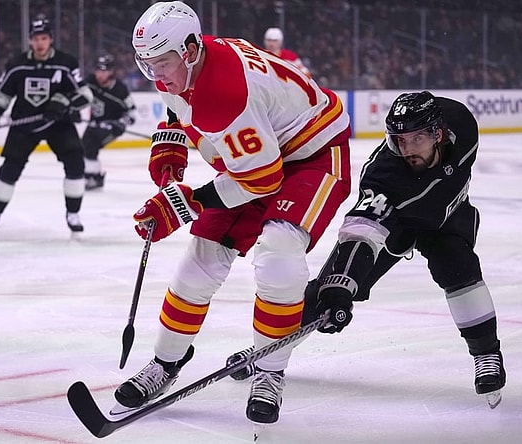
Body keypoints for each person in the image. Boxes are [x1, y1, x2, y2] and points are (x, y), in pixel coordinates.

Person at [114, 1, 352, 425]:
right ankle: (166, 362)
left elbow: (261, 182)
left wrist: (183, 204)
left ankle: (270, 370)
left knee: (280, 252)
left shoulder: (225, 95)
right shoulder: (184, 61)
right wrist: (170, 136)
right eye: (146, 65)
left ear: (189, 50)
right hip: (260, 155)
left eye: (162, 63)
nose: (156, 75)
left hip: (313, 156)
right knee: (199, 261)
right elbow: (178, 101)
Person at [310, 91, 506, 406]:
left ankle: (486, 355)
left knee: (457, 265)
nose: (407, 149)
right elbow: (362, 230)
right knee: (326, 292)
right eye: (400, 140)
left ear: (438, 133)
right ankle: (270, 344)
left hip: (446, 219)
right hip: (396, 224)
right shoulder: (383, 174)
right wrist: (341, 284)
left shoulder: (463, 124)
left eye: (416, 139)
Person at [0, 18, 92, 235]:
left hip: (58, 123)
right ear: (30, 40)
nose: (40, 43)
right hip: (24, 123)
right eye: (36, 39)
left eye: (44, 38)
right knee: (10, 168)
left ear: (51, 39)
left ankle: (73, 213)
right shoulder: (17, 64)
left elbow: (85, 95)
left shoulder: (66, 63)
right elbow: (2, 96)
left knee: (75, 162)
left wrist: (64, 103)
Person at [80, 54, 137, 190]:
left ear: (111, 72)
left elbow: (132, 113)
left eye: (104, 71)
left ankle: (92, 177)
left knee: (91, 145)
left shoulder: (120, 89)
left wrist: (121, 123)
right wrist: (72, 111)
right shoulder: (90, 82)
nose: (100, 74)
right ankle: (95, 176)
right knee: (84, 147)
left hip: (113, 126)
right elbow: (77, 94)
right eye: (98, 70)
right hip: (94, 124)